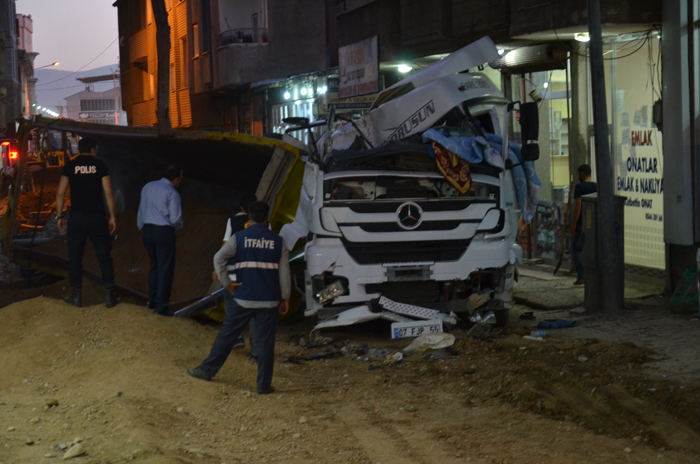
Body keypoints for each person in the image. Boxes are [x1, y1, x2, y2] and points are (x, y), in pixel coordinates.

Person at [188, 201, 290, 395]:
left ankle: (206, 370)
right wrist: (285, 297)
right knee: (266, 343)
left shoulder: (239, 237)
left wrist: (226, 282)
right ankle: (263, 385)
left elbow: (218, 258)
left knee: (227, 335)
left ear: (250, 218)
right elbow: (285, 272)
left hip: (243, 298)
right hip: (269, 301)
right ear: (267, 218)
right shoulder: (279, 242)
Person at [56, 137, 118, 308]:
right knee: (104, 256)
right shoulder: (100, 165)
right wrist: (112, 216)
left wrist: (60, 216)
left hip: (76, 218)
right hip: (96, 217)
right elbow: (109, 193)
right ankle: (109, 296)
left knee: (75, 257)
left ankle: (76, 296)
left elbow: (60, 194)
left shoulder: (70, 166)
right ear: (92, 149)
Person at [137, 166, 184, 316]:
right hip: (163, 232)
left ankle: (151, 301)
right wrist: (178, 225)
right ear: (176, 179)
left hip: (147, 231)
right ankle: (161, 307)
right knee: (165, 269)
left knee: (155, 266)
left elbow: (141, 208)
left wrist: (141, 226)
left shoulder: (148, 186)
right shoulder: (172, 193)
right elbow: (175, 219)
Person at [217, 192, 258, 358]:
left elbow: (225, 244)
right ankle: (256, 352)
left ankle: (237, 338)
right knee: (255, 313)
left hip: (234, 272)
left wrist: (217, 268)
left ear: (241, 207)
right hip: (255, 275)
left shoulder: (233, 221)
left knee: (231, 304)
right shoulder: (263, 223)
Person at [571, 164, 597, 285]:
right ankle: (593, 275)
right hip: (594, 223)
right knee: (592, 249)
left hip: (582, 223)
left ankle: (581, 276)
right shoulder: (597, 186)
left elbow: (578, 205)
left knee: (577, 249)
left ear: (582, 173)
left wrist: (574, 223)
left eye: (578, 174)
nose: (577, 176)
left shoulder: (579, 187)